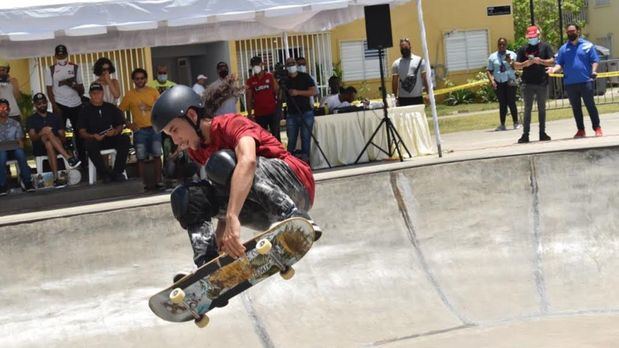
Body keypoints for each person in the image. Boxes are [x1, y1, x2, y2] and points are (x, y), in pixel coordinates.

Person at [150, 85, 321, 269]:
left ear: (191, 116)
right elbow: (225, 189)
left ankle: (293, 217)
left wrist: (232, 217)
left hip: (295, 184)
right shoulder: (197, 151)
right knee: (187, 196)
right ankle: (207, 263)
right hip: (262, 210)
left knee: (221, 162)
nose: (175, 140)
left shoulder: (231, 124)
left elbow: (248, 162)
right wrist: (220, 237)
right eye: (169, 135)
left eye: (175, 130)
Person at [547, 23, 602, 138]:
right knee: (576, 108)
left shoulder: (588, 45)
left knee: (590, 105)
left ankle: (597, 127)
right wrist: (553, 69)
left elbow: (595, 60)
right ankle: (581, 130)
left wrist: (594, 71)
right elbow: (559, 64)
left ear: (578, 31)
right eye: (568, 32)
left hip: (586, 81)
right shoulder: (563, 49)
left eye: (573, 31)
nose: (570, 33)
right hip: (570, 83)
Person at [120, 68, 163, 189]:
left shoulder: (153, 91)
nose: (139, 80)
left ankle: (159, 181)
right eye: (137, 78)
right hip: (139, 131)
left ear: (146, 79)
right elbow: (119, 111)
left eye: (142, 78)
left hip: (155, 128)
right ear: (133, 80)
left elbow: (161, 107)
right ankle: (142, 183)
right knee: (141, 158)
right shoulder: (129, 94)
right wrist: (129, 124)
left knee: (157, 155)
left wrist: (148, 107)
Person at [78, 83, 130, 183]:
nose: (96, 95)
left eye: (99, 93)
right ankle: (104, 174)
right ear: (90, 94)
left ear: (103, 93)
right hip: (96, 140)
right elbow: (81, 132)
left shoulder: (111, 107)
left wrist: (115, 132)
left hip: (111, 138)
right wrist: (93, 136)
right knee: (89, 144)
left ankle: (118, 172)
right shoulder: (85, 111)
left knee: (125, 138)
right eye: (94, 93)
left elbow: (120, 125)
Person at [27, 93, 81, 186]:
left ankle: (56, 178)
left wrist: (55, 135)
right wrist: (42, 132)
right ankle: (68, 158)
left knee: (49, 143)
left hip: (57, 145)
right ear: (35, 105)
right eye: (39, 103)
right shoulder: (31, 119)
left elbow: (63, 137)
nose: (42, 105)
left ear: (47, 102)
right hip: (40, 147)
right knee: (47, 133)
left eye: (44, 102)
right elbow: (33, 138)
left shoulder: (55, 116)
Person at [45, 44, 86, 166]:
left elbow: (82, 90)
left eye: (63, 54)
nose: (61, 57)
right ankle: (67, 161)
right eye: (59, 55)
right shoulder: (50, 69)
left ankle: (83, 161)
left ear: (67, 55)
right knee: (60, 133)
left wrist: (70, 83)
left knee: (79, 133)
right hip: (60, 104)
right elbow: (49, 90)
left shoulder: (75, 67)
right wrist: (54, 105)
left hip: (76, 104)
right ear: (55, 55)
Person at [514, 26, 554, 143]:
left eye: (534, 37)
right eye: (530, 37)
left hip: (542, 82)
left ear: (538, 35)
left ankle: (542, 133)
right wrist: (525, 63)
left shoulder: (545, 46)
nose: (532, 39)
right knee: (527, 109)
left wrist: (540, 61)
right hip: (527, 83)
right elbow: (516, 65)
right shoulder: (523, 49)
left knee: (542, 109)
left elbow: (552, 61)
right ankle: (525, 134)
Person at [283, 57, 316, 163]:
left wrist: (298, 92)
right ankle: (289, 160)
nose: (291, 65)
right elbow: (279, 95)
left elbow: (313, 91)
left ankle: (305, 159)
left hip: (306, 112)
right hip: (292, 113)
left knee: (305, 137)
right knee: (291, 138)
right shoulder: (285, 80)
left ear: (296, 65)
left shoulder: (305, 77)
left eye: (293, 63)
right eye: (288, 64)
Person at [0, 98, 34, 195]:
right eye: (0, 108)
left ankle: (27, 182)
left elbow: (20, 142)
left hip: (14, 150)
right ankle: (2, 185)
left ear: (9, 109)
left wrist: (20, 147)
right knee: (1, 155)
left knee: (20, 152)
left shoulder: (15, 124)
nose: (3, 110)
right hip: (1, 152)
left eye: (5, 108)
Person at [487, 38, 520, 131]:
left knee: (511, 102)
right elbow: (489, 71)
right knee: (502, 103)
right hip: (499, 82)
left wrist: (510, 61)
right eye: (500, 44)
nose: (502, 46)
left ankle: (516, 122)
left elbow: (516, 67)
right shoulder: (492, 57)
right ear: (497, 45)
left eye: (503, 44)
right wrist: (492, 81)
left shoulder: (512, 54)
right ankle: (502, 124)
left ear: (506, 45)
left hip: (510, 81)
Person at [246, 56, 280, 140]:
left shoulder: (270, 76)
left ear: (262, 64)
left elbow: (278, 92)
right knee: (262, 138)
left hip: (273, 112)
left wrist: (279, 109)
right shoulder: (250, 81)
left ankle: (278, 153)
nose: (256, 66)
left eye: (258, 64)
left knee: (276, 137)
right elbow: (249, 99)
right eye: (254, 65)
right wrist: (249, 114)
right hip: (259, 114)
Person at [392, 38, 428, 106]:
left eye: (405, 46)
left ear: (410, 46)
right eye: (402, 47)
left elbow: (425, 78)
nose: (404, 48)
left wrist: (428, 94)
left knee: (419, 117)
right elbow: (394, 82)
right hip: (402, 99)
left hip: (417, 98)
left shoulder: (419, 60)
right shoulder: (396, 63)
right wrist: (395, 98)